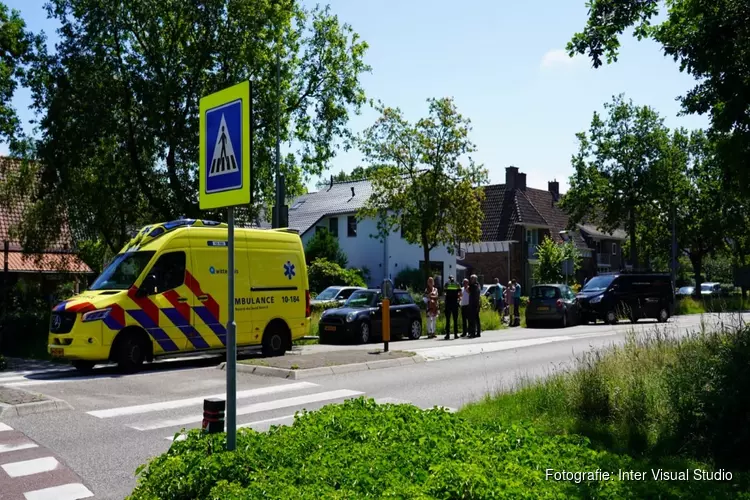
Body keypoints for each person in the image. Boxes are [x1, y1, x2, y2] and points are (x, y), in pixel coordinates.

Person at [443, 275, 461, 340]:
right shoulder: (457, 284)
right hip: (455, 304)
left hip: (448, 304)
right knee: (455, 320)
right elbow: (459, 292)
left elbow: (444, 293)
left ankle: (447, 335)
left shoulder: (447, 284)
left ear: (449, 278)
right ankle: (455, 335)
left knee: (448, 320)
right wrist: (457, 298)